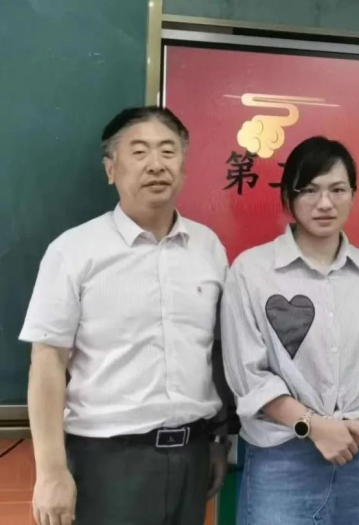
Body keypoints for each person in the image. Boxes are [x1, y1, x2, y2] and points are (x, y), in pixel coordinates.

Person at [20, 106, 230, 525]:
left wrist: (218, 440)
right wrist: (51, 471)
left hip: (193, 454)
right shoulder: (73, 251)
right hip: (108, 462)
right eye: (139, 151)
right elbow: (48, 362)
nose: (156, 164)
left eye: (168, 151)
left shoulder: (208, 248)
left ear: (183, 167)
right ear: (110, 169)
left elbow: (216, 352)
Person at [221, 136, 359, 525]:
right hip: (282, 457)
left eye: (337, 190)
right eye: (309, 190)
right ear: (287, 198)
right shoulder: (252, 271)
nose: (325, 203)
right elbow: (248, 375)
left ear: (353, 194)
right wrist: (315, 427)